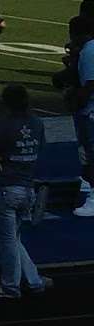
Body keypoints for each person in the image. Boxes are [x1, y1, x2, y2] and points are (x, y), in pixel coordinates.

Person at [0, 85, 52, 298]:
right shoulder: (36, 123)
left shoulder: (2, 126)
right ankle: (33, 280)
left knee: (7, 240)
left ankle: (10, 286)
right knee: (14, 238)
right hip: (27, 187)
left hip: (5, 186)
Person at [67, 15, 94, 216]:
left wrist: (75, 100)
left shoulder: (89, 51)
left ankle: (93, 198)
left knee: (92, 155)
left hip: (91, 111)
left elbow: (90, 84)